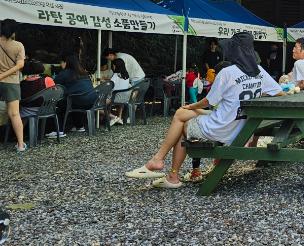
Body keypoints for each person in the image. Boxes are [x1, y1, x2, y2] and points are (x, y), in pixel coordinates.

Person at [125, 32, 284, 189]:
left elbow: (209, 101)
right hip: (240, 125)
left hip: (223, 128)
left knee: (182, 125)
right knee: (180, 114)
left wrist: (191, 105)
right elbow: (279, 92)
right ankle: (159, 162)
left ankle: (169, 173)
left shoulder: (228, 72)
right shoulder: (259, 71)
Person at [0, 19, 26, 151]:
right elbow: (20, 65)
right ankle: (20, 145)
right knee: (14, 114)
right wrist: (3, 75)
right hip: (11, 82)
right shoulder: (18, 45)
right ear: (13, 32)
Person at [54, 53, 97, 132]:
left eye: (61, 62)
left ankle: (59, 131)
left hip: (78, 101)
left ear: (66, 62)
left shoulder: (64, 73)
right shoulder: (82, 72)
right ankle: (79, 126)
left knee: (57, 105)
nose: (61, 64)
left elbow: (54, 85)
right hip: (92, 101)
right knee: (72, 100)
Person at [106, 58, 131, 126]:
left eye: (113, 65)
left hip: (115, 98)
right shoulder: (126, 75)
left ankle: (113, 117)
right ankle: (119, 117)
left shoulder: (116, 75)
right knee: (120, 99)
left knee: (99, 105)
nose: (113, 67)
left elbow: (110, 84)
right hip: (125, 97)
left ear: (116, 66)